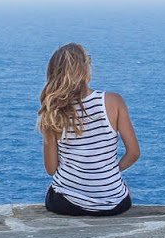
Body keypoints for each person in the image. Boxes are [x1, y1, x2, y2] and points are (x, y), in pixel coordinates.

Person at [38, 43, 140, 216]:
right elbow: (134, 153)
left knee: (55, 189)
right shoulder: (114, 102)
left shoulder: (54, 112)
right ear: (86, 69)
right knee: (123, 189)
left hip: (66, 203)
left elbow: (51, 168)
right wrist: (108, 172)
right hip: (113, 203)